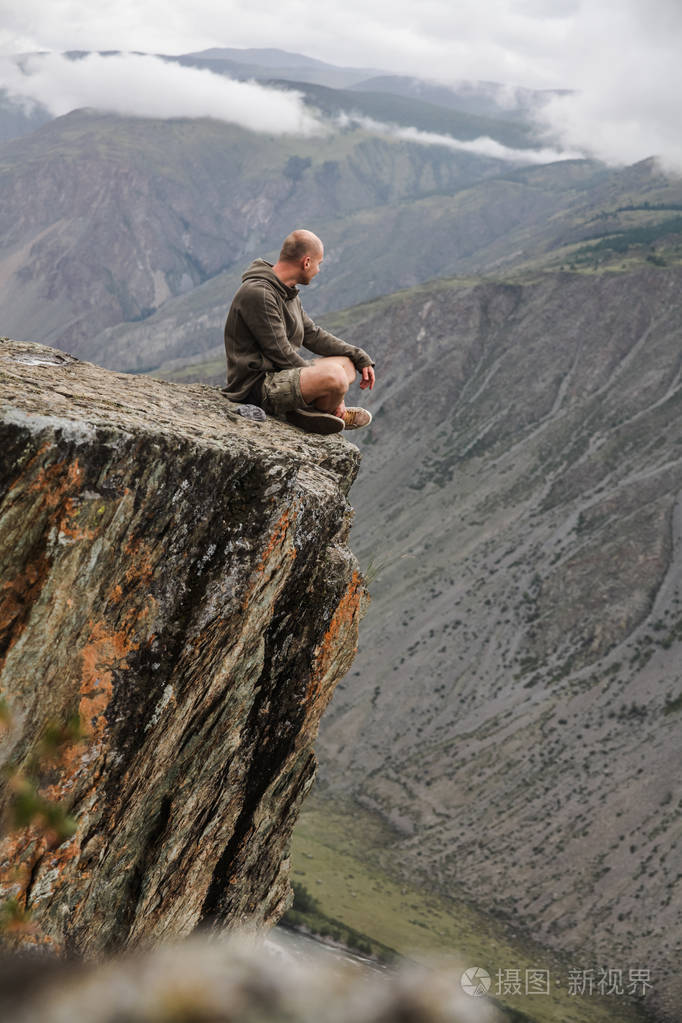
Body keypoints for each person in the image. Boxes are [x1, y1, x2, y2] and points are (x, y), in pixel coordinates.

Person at [223, 229, 375, 435]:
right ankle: (318, 412)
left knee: (346, 364)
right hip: (258, 387)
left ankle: (310, 412)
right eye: (318, 264)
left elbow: (312, 334)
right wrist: (335, 392)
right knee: (336, 376)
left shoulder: (287, 291)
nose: (318, 270)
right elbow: (280, 353)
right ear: (306, 262)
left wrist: (358, 355)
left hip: (282, 375)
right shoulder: (259, 293)